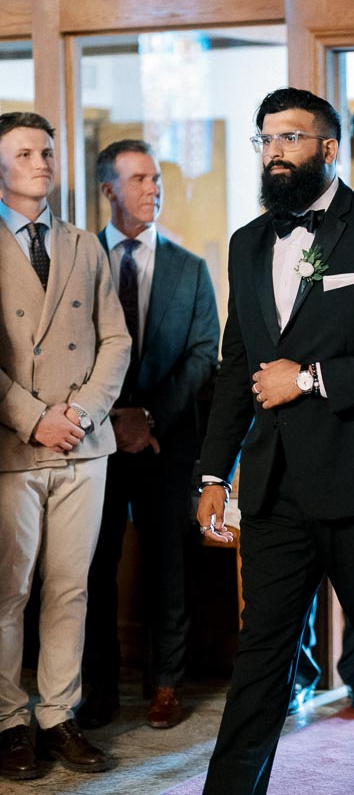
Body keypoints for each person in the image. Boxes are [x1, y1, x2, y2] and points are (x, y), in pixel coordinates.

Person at [146, 87, 354, 795]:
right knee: (263, 648)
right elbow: (239, 365)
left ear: (328, 148)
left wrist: (311, 376)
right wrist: (215, 472)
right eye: (265, 138)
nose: (276, 150)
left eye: (292, 137)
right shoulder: (248, 243)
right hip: (275, 481)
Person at [0, 112, 131, 781]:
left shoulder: (83, 243)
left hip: (84, 444)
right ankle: (8, 722)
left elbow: (117, 339)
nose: (41, 162)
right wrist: (32, 417)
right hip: (14, 447)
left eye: (46, 151)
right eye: (24, 152)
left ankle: (57, 714)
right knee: (8, 590)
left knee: (70, 587)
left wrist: (79, 412)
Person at [78, 139, 219, 731]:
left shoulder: (190, 268)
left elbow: (202, 353)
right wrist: (108, 418)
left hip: (167, 441)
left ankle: (166, 685)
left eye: (156, 179)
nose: (152, 190)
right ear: (108, 190)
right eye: (138, 180)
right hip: (94, 440)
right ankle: (99, 690)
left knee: (168, 564)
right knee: (93, 566)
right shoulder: (81, 262)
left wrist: (149, 418)